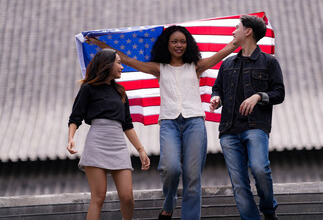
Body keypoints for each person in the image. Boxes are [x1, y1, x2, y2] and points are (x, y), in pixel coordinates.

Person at [86, 26, 240, 220]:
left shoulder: (196, 66)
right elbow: (125, 59)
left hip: (194, 122)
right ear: (166, 45)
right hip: (169, 123)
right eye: (174, 42)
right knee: (171, 168)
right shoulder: (159, 68)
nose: (179, 45)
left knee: (193, 176)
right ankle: (169, 204)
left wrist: (241, 37)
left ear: (188, 44)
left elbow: (223, 53)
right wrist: (99, 44)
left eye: (183, 42)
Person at [210, 15, 285, 220]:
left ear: (248, 31)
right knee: (239, 184)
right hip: (229, 130)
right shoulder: (226, 64)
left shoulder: (269, 62)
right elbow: (217, 89)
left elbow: (279, 93)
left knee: (260, 169)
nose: (233, 32)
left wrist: (259, 96)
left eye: (237, 27)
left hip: (255, 127)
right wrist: (216, 98)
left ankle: (269, 212)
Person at [67, 48, 150, 220]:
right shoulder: (88, 88)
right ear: (107, 64)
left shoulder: (120, 92)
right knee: (98, 197)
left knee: (127, 197)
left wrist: (140, 149)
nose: (122, 67)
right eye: (119, 63)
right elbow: (76, 116)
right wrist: (71, 139)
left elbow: (127, 124)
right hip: (96, 143)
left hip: (118, 144)